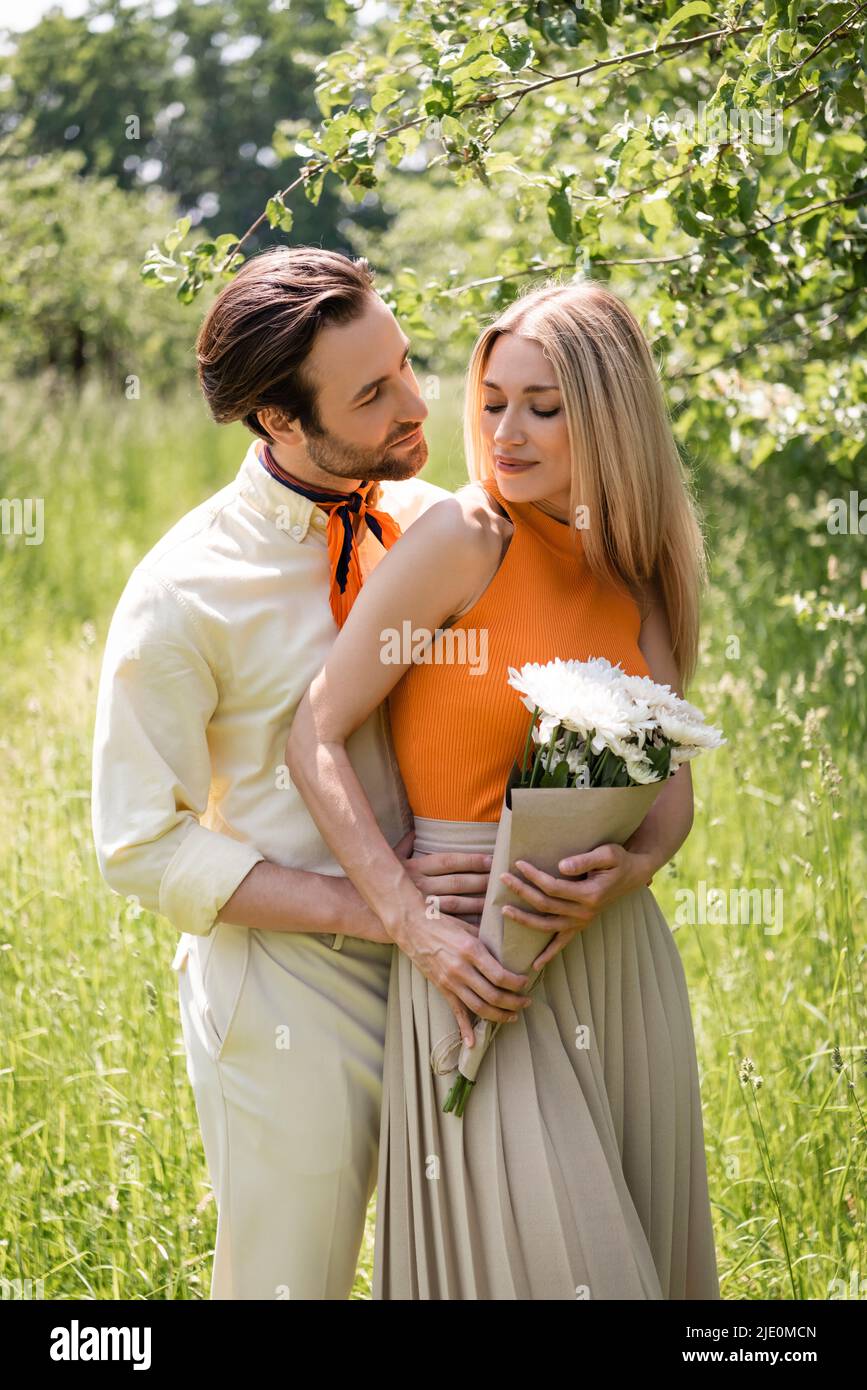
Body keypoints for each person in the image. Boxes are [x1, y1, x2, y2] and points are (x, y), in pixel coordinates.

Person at [90, 246, 533, 1300]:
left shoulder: (439, 526)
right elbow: (139, 842)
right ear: (279, 420)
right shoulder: (182, 594)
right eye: (372, 392)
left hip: (461, 967)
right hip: (286, 990)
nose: (416, 403)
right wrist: (374, 906)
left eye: (407, 363)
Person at [286, 278, 721, 1299]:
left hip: (611, 957)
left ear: (609, 417)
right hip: (473, 961)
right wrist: (410, 923)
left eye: (543, 405)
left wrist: (623, 875)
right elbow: (314, 733)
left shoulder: (634, 570)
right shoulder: (465, 541)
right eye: (492, 402)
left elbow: (669, 800)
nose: (506, 431)